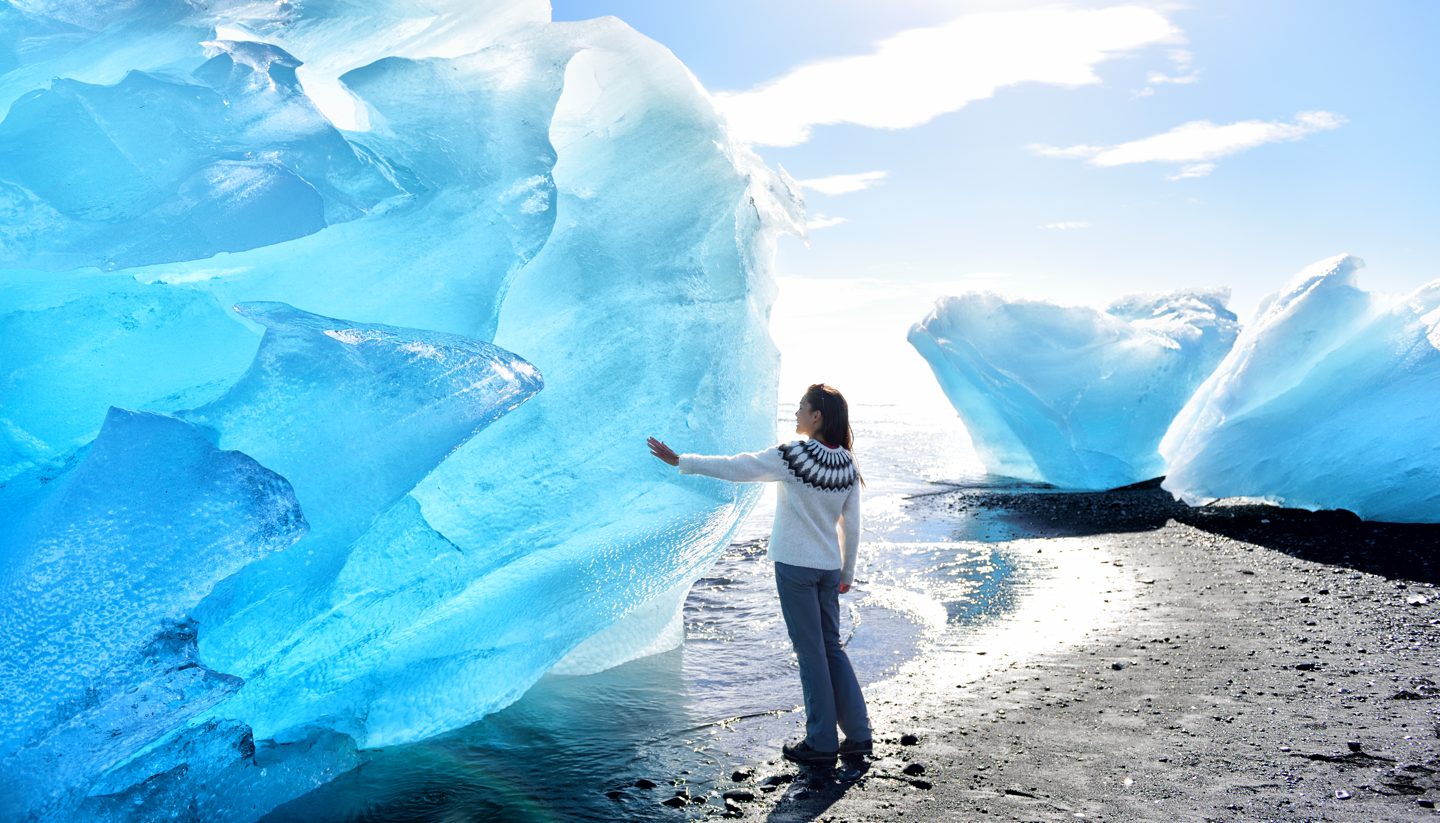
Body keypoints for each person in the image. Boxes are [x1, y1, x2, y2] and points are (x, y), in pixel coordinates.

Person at [646, 383, 871, 764]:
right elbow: (853, 524)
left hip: (796, 567)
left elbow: (738, 467)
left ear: (817, 416)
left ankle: (821, 741)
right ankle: (859, 734)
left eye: (802, 407)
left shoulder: (793, 455)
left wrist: (683, 461)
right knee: (830, 647)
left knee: (811, 653)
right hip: (829, 568)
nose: (796, 413)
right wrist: (847, 569)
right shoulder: (848, 463)